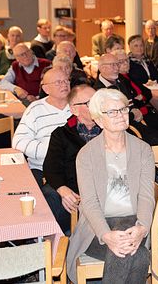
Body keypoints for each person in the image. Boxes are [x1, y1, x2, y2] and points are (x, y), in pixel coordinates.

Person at [66, 88, 155, 284]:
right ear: (98, 120)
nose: (121, 116)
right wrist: (106, 235)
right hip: (97, 228)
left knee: (128, 250)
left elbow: (147, 196)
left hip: (136, 223)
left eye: (123, 109)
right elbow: (89, 202)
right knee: (136, 255)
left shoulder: (143, 150)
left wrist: (142, 228)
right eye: (112, 112)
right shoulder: (86, 154)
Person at [43, 85, 99, 233]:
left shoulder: (111, 131)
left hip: (104, 190)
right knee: (49, 195)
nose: (96, 106)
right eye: (89, 103)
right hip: (73, 191)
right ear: (74, 109)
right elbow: (51, 167)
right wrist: (62, 189)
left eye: (98, 101)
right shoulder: (61, 134)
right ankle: (58, 241)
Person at [94, 52, 158, 145]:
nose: (117, 68)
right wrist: (133, 113)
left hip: (133, 121)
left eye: (117, 64)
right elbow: (111, 118)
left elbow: (131, 100)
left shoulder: (119, 80)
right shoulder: (99, 90)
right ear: (102, 68)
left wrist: (134, 109)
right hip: (122, 130)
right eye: (113, 65)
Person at [12, 67, 72, 187]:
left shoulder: (78, 106)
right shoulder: (35, 109)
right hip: (42, 168)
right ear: (46, 88)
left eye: (66, 81)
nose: (64, 85)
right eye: (58, 82)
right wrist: (53, 151)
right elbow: (19, 142)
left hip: (74, 167)